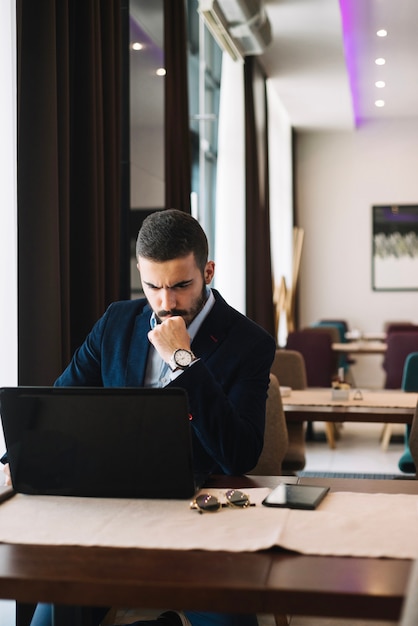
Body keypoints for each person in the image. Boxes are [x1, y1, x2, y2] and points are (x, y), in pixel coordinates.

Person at [6, 209, 277, 626]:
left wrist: (185, 362)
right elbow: (59, 404)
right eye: (153, 285)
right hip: (110, 517)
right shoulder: (116, 322)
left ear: (208, 271)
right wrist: (17, 460)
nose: (166, 302)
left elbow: (239, 454)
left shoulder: (249, 343)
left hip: (202, 525)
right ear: (139, 272)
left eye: (182, 285)